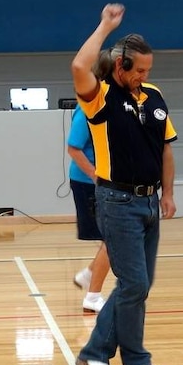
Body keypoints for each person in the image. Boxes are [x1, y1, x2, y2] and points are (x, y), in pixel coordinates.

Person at [72, 3, 177, 365]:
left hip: (150, 201)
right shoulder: (99, 98)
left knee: (141, 286)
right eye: (140, 70)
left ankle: (132, 360)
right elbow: (79, 67)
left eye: (149, 70)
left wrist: (167, 193)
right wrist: (104, 26)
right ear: (121, 67)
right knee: (134, 284)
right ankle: (97, 354)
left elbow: (166, 148)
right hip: (116, 202)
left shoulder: (153, 95)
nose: (145, 76)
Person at [67, 105, 110, 314]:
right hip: (88, 183)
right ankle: (92, 296)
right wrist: (96, 176)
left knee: (114, 238)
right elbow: (73, 147)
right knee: (115, 239)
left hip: (110, 182)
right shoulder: (87, 110)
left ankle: (88, 275)